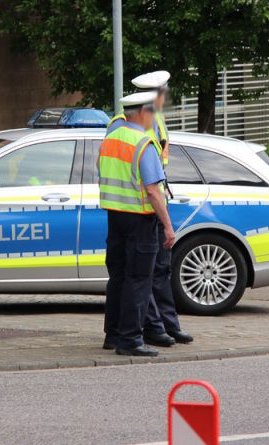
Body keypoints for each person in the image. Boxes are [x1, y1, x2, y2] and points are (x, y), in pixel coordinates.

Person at [107, 71, 193, 348]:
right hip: (142, 209)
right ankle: (143, 331)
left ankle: (160, 325)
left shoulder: (135, 124)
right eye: (162, 93)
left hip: (124, 209)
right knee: (140, 276)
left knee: (153, 272)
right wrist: (166, 222)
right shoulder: (132, 130)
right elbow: (149, 181)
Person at [99, 91, 175, 357]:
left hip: (114, 216)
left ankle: (113, 334)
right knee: (139, 280)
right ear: (142, 113)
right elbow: (154, 191)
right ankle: (130, 340)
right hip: (140, 220)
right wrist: (168, 226)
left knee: (118, 277)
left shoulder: (110, 138)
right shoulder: (143, 143)